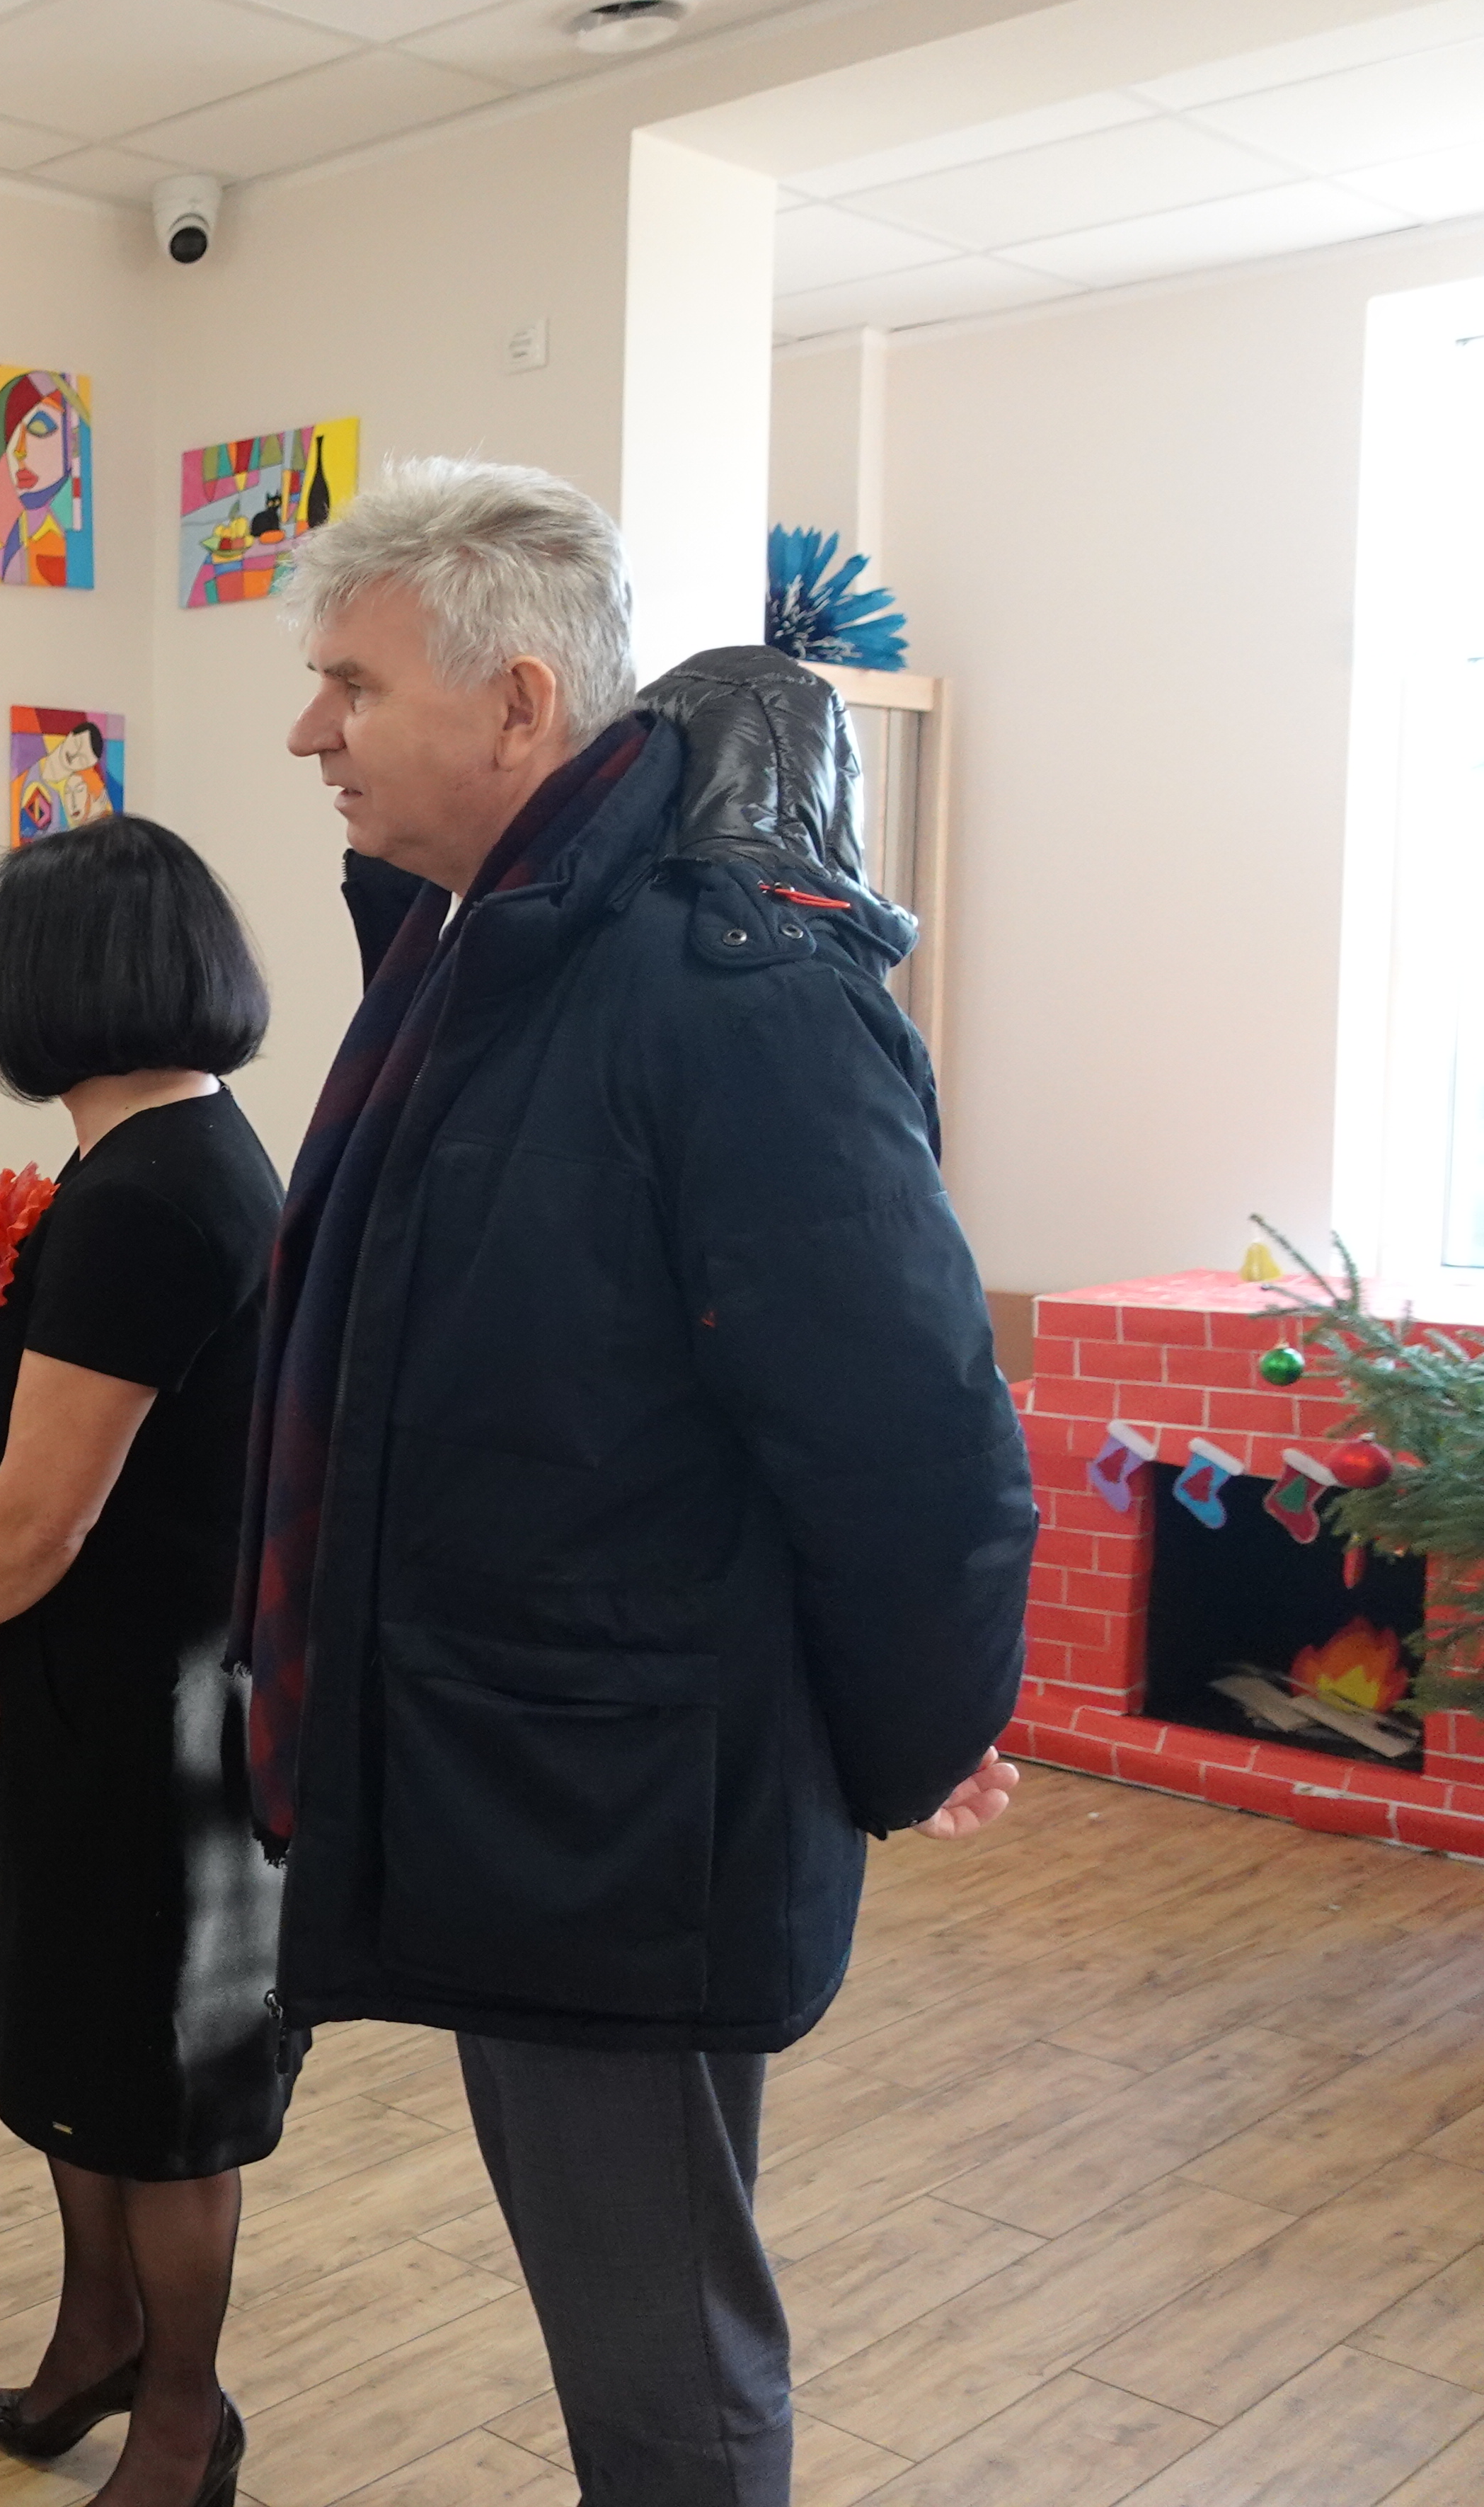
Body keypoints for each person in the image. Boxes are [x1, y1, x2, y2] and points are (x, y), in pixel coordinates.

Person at [248, 459, 1033, 2507]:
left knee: (661, 2341)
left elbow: (913, 1437)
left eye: (353, 683)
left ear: (519, 705)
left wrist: (905, 1737)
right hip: (533, 1767)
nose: (311, 730)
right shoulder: (488, 954)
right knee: (636, 2308)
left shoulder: (721, 993)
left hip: (616, 1806)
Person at [0, 816, 293, 2507]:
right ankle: (97, 2341)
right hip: (110, 1694)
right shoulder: (158, 1165)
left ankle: (186, 2421)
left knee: (159, 2088)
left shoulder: (153, 1197)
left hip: (163, 1719)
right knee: (78, 2052)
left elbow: (47, 1510)